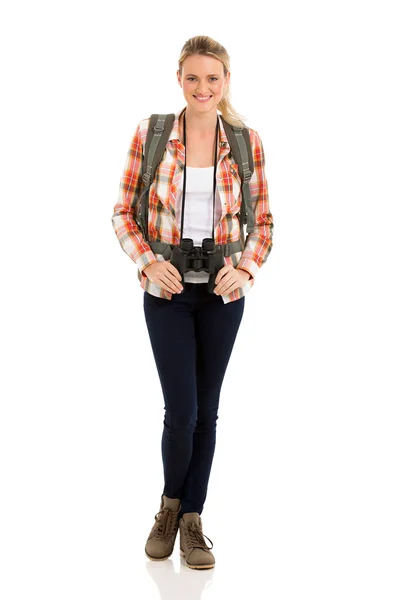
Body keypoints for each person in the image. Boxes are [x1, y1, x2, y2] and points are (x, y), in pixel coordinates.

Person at [111, 35, 274, 570]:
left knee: (208, 412)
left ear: (226, 81)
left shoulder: (246, 142)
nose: (202, 88)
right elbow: (122, 212)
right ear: (179, 79)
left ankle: (192, 520)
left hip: (223, 295)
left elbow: (264, 224)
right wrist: (146, 261)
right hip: (168, 291)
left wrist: (246, 268)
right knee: (181, 411)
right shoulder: (152, 134)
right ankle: (168, 506)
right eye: (192, 77)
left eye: (213, 78)